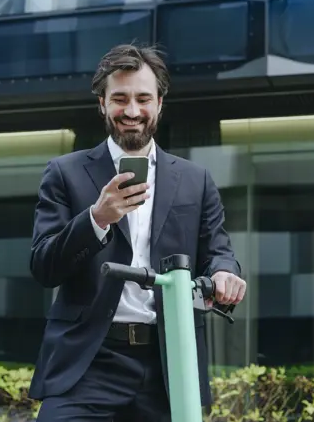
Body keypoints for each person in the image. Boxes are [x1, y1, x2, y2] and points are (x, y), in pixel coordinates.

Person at [28, 43, 247, 421]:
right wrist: (95, 218)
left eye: (143, 98)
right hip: (88, 361)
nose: (132, 112)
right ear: (102, 103)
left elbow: (218, 252)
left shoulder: (196, 180)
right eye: (120, 99)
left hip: (168, 360)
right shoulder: (64, 172)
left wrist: (225, 273)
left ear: (160, 103)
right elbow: (44, 267)